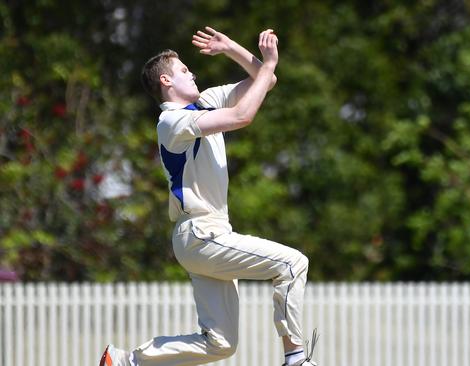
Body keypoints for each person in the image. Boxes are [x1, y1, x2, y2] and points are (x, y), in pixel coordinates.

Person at [99, 26, 318, 366]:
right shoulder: (170, 122)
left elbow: (266, 81)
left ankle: (125, 361)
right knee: (292, 264)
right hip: (202, 232)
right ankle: (296, 358)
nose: (193, 72)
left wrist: (231, 47)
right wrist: (270, 63)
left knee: (220, 345)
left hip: (204, 236)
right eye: (184, 70)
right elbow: (242, 116)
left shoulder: (205, 102)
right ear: (166, 83)